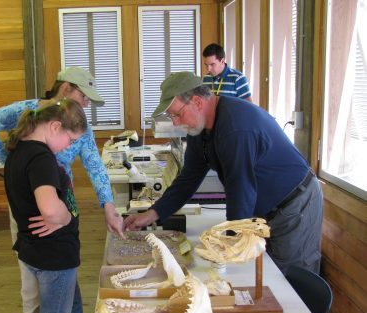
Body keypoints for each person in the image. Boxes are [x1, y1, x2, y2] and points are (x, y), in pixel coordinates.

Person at [0, 66, 123, 313]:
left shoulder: (71, 126)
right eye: (83, 96)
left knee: (66, 303)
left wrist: (109, 206)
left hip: (57, 211)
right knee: (36, 294)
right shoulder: (31, 123)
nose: (86, 104)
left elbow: (95, 166)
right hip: (40, 213)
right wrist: (14, 161)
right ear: (66, 89)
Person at [123, 71, 323, 275]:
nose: (175, 122)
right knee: (261, 272)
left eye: (177, 114)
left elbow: (240, 188)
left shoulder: (236, 127)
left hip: (295, 203)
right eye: (171, 116)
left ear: (197, 102)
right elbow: (188, 179)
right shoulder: (199, 129)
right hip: (264, 209)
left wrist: (230, 241)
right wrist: (152, 213)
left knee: (288, 278)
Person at [4, 99, 88, 313]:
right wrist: (64, 217)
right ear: (54, 127)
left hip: (41, 253)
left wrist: (67, 212)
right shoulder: (40, 157)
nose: (69, 146)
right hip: (54, 259)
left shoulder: (19, 151)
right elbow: (52, 209)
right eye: (69, 139)